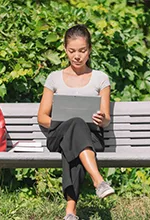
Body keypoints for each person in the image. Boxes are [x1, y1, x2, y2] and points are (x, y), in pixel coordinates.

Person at [37, 24, 115, 220]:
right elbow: (42, 117)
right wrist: (65, 124)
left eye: (82, 51)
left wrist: (101, 118)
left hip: (91, 137)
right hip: (58, 134)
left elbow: (105, 119)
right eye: (72, 51)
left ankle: (70, 212)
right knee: (75, 126)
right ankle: (98, 181)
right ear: (65, 50)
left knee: (76, 142)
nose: (77, 56)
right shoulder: (54, 78)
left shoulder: (101, 79)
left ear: (89, 50)